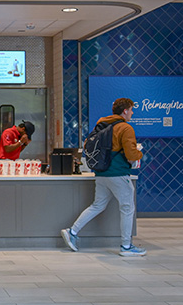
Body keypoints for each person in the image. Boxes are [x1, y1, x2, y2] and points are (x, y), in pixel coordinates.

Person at [61, 97, 146, 257]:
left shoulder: (102, 125)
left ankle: (72, 231)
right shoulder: (125, 128)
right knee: (127, 208)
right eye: (131, 110)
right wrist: (139, 152)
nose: (132, 113)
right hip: (118, 173)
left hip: (101, 173)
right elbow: (131, 154)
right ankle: (126, 246)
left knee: (97, 205)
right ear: (125, 111)